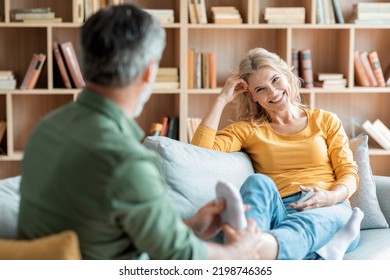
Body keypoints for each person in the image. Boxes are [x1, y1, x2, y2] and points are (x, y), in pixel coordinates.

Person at [16, 4, 264, 260]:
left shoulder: (46, 129)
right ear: (149, 72)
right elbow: (178, 255)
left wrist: (190, 226)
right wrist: (236, 252)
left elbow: (110, 232)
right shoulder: (127, 160)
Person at [191, 47, 364, 260]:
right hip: (281, 210)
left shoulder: (325, 120)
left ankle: (251, 250)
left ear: (287, 76)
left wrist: (331, 196)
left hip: (331, 207)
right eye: (260, 89)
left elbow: (349, 172)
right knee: (258, 182)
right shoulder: (248, 129)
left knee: (316, 222)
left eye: (275, 80)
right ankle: (316, 251)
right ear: (252, 97)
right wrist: (222, 99)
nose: (272, 93)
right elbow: (200, 152)